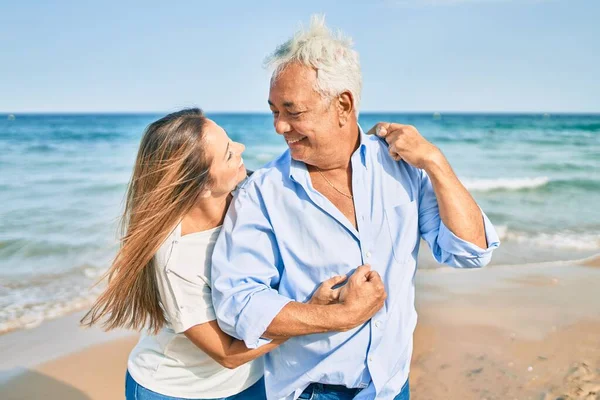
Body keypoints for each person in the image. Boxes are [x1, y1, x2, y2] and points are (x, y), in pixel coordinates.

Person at [210, 16, 501, 400]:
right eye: (273, 111)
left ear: (343, 105)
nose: (279, 126)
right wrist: (337, 317)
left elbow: (470, 252)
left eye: (292, 111)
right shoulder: (261, 193)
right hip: (311, 393)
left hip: (392, 387)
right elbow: (237, 303)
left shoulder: (404, 169)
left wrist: (435, 162)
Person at [81, 109, 386, 400]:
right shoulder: (176, 257)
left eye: (231, 141)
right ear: (199, 187)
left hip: (251, 382)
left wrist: (374, 141)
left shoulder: (245, 195)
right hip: (178, 390)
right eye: (228, 152)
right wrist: (320, 315)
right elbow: (227, 354)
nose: (241, 147)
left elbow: (308, 169)